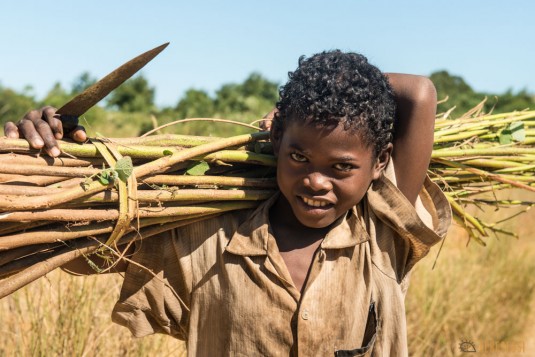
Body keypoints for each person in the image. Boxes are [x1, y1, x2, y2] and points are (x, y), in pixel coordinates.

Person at [5, 50, 451, 356]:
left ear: (380, 164)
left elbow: (418, 94)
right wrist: (47, 154)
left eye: (341, 168)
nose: (316, 181)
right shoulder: (205, 236)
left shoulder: (383, 232)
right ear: (276, 139)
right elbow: (77, 248)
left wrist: (334, 87)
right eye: (299, 156)